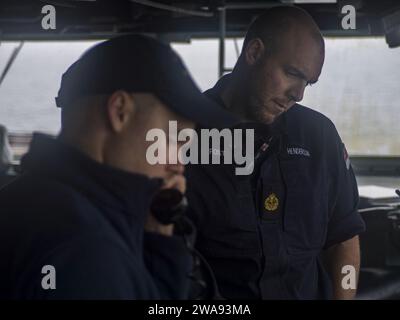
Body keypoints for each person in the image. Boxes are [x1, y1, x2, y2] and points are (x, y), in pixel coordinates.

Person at [0, 34, 235, 299]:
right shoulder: (86, 252)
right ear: (120, 111)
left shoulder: (30, 200)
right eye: (172, 140)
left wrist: (159, 236)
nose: (178, 165)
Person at [185, 6, 366, 300]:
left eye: (308, 82)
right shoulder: (184, 139)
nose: (299, 94)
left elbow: (343, 236)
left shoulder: (320, 137)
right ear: (254, 53)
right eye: (292, 73)